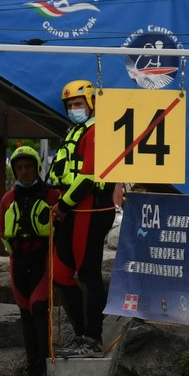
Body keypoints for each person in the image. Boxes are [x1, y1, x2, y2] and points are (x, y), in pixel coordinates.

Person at [47, 79, 116, 354]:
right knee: (60, 274)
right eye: (70, 105)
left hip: (90, 208)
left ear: (91, 104)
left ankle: (93, 338)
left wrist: (63, 205)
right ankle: (80, 335)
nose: (73, 109)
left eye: (78, 104)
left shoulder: (96, 131)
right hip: (71, 209)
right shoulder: (75, 131)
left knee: (89, 275)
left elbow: (88, 176)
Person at [0, 145, 57, 376]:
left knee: (38, 307)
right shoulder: (7, 200)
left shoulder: (52, 196)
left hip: (43, 259)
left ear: (36, 167)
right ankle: (33, 369)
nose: (24, 172)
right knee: (25, 312)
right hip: (19, 262)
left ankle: (43, 366)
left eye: (28, 166)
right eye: (19, 168)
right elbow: (3, 233)